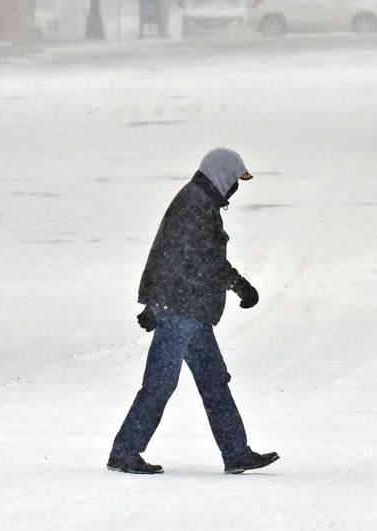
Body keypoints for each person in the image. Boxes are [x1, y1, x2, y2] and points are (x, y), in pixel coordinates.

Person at [107, 147, 279, 475]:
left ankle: (236, 453)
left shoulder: (199, 202)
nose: (236, 189)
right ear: (223, 176)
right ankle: (125, 451)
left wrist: (154, 303)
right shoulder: (196, 206)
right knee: (160, 383)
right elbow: (204, 261)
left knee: (214, 381)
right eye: (235, 181)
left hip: (189, 310)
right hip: (181, 310)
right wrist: (241, 285)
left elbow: (169, 255)